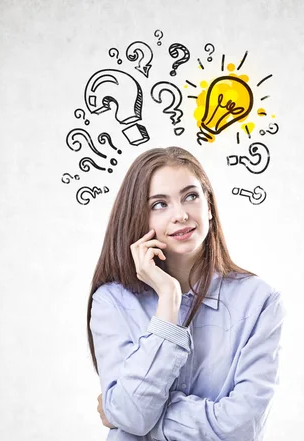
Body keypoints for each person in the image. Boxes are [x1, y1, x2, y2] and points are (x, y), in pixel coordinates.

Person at [86, 146, 285, 440]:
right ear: (138, 218)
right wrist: (168, 298)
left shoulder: (259, 301)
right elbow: (132, 416)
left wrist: (134, 414)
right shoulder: (112, 302)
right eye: (159, 204)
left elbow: (241, 429)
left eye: (191, 196)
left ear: (209, 207)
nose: (180, 215)